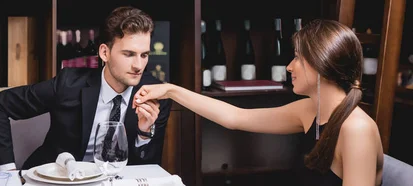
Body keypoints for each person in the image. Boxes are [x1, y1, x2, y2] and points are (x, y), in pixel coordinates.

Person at [133, 19, 383, 186]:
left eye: (297, 58)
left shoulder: (356, 129)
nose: (289, 66)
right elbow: (236, 117)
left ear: (320, 64)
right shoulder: (310, 110)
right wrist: (171, 90)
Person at [0, 6, 173, 171]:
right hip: (56, 180)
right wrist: (7, 171)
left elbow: (147, 169)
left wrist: (144, 134)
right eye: (129, 54)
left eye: (144, 55)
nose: (138, 65)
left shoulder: (155, 95)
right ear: (104, 53)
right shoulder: (69, 84)